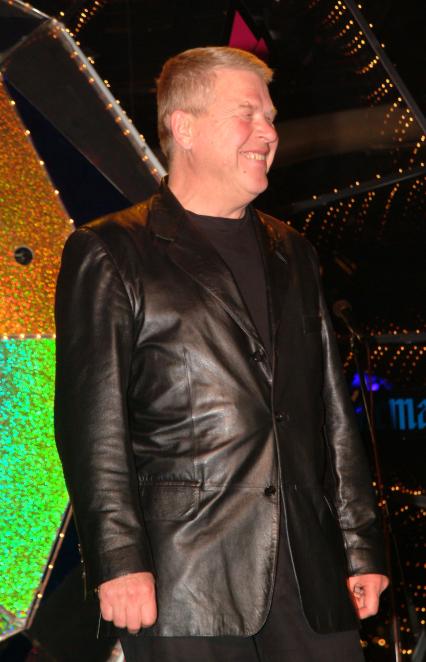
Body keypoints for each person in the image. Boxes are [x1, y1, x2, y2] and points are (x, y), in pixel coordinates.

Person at [54, 47, 389, 662]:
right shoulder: (111, 251)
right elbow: (91, 424)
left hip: (310, 573)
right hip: (186, 576)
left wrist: (358, 543)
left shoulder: (293, 252)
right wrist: (119, 559)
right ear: (184, 127)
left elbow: (331, 412)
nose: (268, 132)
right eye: (247, 114)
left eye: (271, 118)